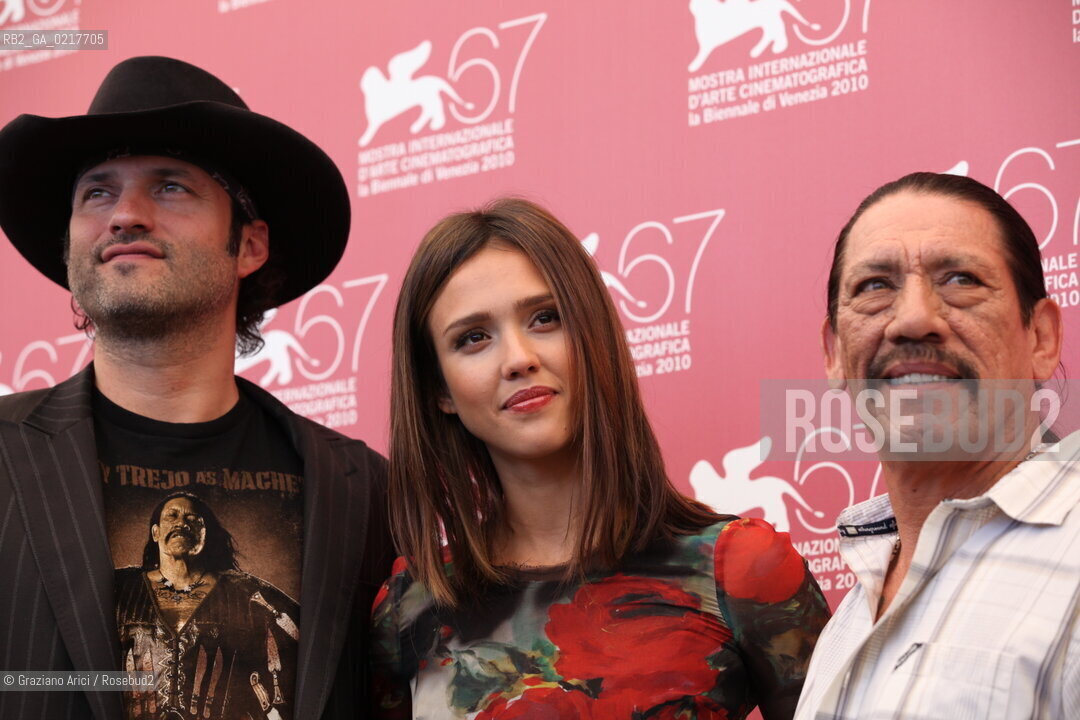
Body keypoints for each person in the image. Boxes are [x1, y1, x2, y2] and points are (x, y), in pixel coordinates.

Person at [0, 56, 393, 720]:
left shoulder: (367, 494)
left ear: (249, 245)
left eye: (170, 187)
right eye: (96, 192)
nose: (124, 214)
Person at [371, 198, 829, 719]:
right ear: (440, 390)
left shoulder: (741, 568)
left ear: (594, 337)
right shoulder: (408, 608)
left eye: (546, 318)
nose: (519, 358)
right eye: (473, 338)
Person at [794, 172, 1079, 719]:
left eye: (960, 279)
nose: (914, 319)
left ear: (1040, 338)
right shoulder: (848, 618)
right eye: (875, 286)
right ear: (834, 354)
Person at [115, 491, 300, 719]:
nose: (181, 523)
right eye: (172, 516)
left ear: (205, 534)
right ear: (155, 532)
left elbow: (310, 637)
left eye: (193, 519)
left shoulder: (244, 590)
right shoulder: (121, 587)